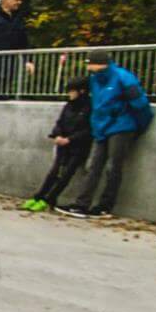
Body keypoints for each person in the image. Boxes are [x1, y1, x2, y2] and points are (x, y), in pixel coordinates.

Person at [58, 54, 153, 220]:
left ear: (99, 64)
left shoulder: (123, 77)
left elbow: (140, 104)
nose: (87, 67)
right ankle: (81, 204)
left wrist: (138, 126)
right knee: (93, 166)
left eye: (89, 64)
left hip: (121, 126)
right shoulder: (95, 80)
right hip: (101, 127)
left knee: (113, 167)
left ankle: (104, 206)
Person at [22, 78, 92, 212]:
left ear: (81, 91)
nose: (69, 94)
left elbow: (88, 130)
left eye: (72, 91)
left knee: (66, 174)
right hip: (63, 144)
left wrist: (70, 139)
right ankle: (38, 196)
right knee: (54, 172)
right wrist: (57, 134)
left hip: (77, 146)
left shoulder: (89, 107)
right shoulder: (69, 105)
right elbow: (60, 122)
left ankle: (49, 199)